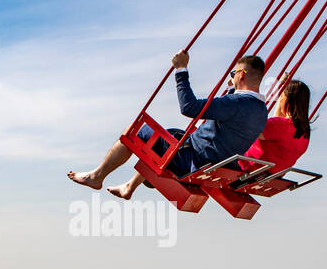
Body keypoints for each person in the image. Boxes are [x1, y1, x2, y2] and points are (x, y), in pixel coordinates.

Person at [67, 51, 269, 199]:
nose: (231, 76)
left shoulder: (235, 103)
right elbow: (234, 119)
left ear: (241, 74)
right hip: (212, 163)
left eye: (234, 72)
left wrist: (181, 69)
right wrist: (233, 91)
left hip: (191, 161)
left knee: (134, 130)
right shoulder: (261, 110)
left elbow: (189, 107)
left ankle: (96, 176)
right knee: (170, 135)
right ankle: (129, 186)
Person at [240, 79, 310, 176]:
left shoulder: (281, 125)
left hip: (247, 167)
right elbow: (276, 122)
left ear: (287, 100)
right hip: (272, 175)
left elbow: (249, 129)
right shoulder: (304, 132)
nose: (279, 99)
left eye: (281, 96)